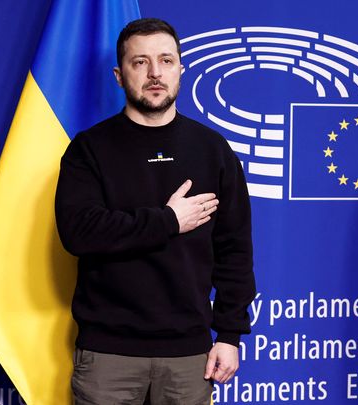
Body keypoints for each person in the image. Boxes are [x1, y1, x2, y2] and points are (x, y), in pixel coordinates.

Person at [55, 18, 256, 404]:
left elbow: (235, 249)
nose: (154, 73)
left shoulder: (213, 150)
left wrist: (229, 336)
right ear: (119, 75)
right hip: (107, 356)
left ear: (181, 68)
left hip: (188, 356)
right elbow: (78, 232)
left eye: (165, 60)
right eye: (139, 62)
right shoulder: (89, 149)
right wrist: (168, 221)